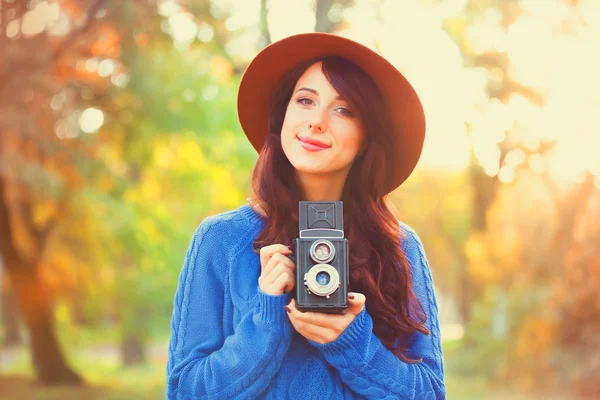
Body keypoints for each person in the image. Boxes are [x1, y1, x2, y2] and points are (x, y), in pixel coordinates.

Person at [166, 32, 445, 399]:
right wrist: (265, 321)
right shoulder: (220, 240)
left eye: (343, 110)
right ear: (283, 116)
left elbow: (431, 392)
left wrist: (353, 344)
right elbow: (185, 390)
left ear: (365, 139)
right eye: (305, 100)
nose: (316, 121)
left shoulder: (399, 245)